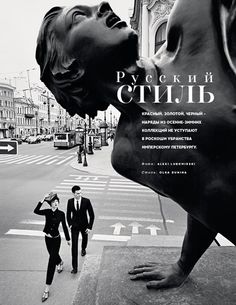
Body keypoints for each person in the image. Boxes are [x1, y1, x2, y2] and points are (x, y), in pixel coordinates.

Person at [36, 0, 236, 290]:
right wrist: (183, 265)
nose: (103, 5)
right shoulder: (128, 153)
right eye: (80, 17)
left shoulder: (196, 15)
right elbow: (208, 197)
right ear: (72, 67)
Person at [34, 192, 70, 302]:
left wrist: (68, 239)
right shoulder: (47, 212)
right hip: (47, 239)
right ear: (50, 204)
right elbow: (36, 211)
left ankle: (46, 289)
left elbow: (64, 226)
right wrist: (43, 200)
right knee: (53, 256)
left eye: (57, 202)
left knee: (51, 262)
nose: (56, 203)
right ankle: (60, 262)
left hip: (56, 239)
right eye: (54, 202)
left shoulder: (61, 214)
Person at [66, 185, 94, 274]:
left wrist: (89, 227)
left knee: (84, 239)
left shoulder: (86, 201)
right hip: (74, 226)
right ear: (73, 194)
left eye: (80, 193)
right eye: (77, 193)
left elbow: (92, 215)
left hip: (84, 225)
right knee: (74, 247)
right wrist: (70, 224)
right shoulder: (70, 202)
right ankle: (75, 267)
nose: (79, 194)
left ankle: (83, 248)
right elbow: (68, 214)